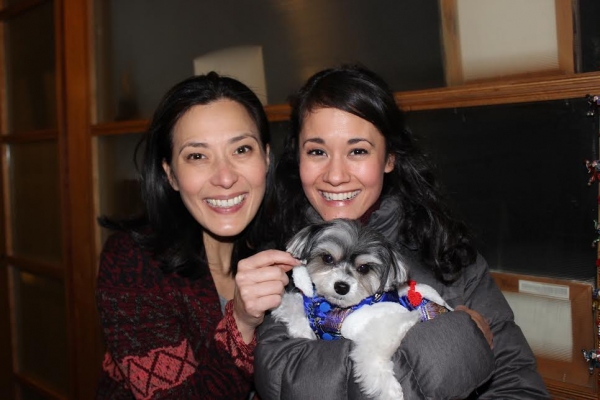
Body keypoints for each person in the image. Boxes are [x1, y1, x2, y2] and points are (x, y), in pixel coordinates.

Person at [254, 65, 550, 399]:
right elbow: (295, 386)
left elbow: (517, 386)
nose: (335, 175)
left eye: (358, 151)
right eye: (317, 151)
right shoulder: (273, 268)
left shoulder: (447, 254)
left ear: (389, 158)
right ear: (298, 159)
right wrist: (459, 342)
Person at [95, 72, 298, 399]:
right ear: (171, 175)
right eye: (197, 156)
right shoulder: (133, 262)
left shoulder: (289, 248)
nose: (225, 177)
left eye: (242, 149)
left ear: (267, 157)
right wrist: (241, 324)